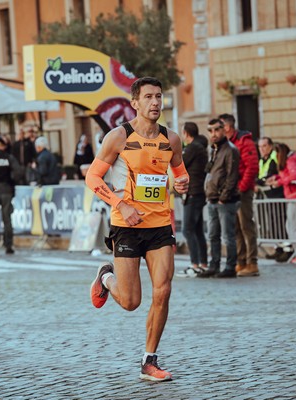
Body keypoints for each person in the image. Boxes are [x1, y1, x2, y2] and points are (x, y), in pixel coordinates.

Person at [85, 77, 189, 382]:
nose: (155, 102)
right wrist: (121, 204)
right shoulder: (117, 137)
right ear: (135, 103)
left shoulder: (172, 139)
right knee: (131, 302)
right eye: (148, 97)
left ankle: (149, 360)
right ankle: (106, 276)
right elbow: (93, 178)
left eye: (159, 97)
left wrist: (183, 183)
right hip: (127, 226)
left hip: (159, 225)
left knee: (164, 290)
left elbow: (180, 176)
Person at [196, 118, 240, 278]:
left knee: (228, 236)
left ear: (224, 130)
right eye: (210, 130)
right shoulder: (213, 150)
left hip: (225, 201)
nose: (213, 134)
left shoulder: (230, 150)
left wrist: (224, 197)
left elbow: (232, 176)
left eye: (216, 130)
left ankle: (230, 266)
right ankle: (214, 265)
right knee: (213, 235)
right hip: (212, 199)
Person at [219, 113, 259, 277]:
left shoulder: (244, 141)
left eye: (219, 127)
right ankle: (241, 261)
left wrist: (241, 188)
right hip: (232, 191)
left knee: (246, 226)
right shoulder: (227, 143)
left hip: (242, 191)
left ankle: (252, 262)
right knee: (235, 228)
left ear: (227, 127)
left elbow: (252, 167)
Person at [266, 143, 296, 263]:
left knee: (293, 226)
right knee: (291, 225)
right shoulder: (289, 161)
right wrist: (276, 178)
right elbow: (288, 175)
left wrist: (280, 182)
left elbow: (294, 176)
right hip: (292, 196)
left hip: (294, 196)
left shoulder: (290, 161)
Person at [176, 122, 208, 278]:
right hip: (197, 192)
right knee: (197, 230)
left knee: (188, 229)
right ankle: (203, 264)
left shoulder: (193, 148)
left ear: (186, 133)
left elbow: (179, 164)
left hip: (193, 192)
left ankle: (195, 264)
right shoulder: (199, 147)